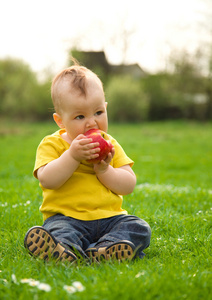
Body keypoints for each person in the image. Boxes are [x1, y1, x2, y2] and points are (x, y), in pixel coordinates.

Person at [24, 61, 151, 263]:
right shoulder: (52, 144)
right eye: (80, 116)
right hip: (68, 218)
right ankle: (63, 249)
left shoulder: (110, 144)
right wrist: (72, 156)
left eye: (98, 112)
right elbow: (48, 180)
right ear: (60, 121)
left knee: (139, 228)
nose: (92, 122)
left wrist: (104, 170)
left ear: (106, 108)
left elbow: (128, 184)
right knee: (59, 231)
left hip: (111, 219)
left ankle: (104, 249)